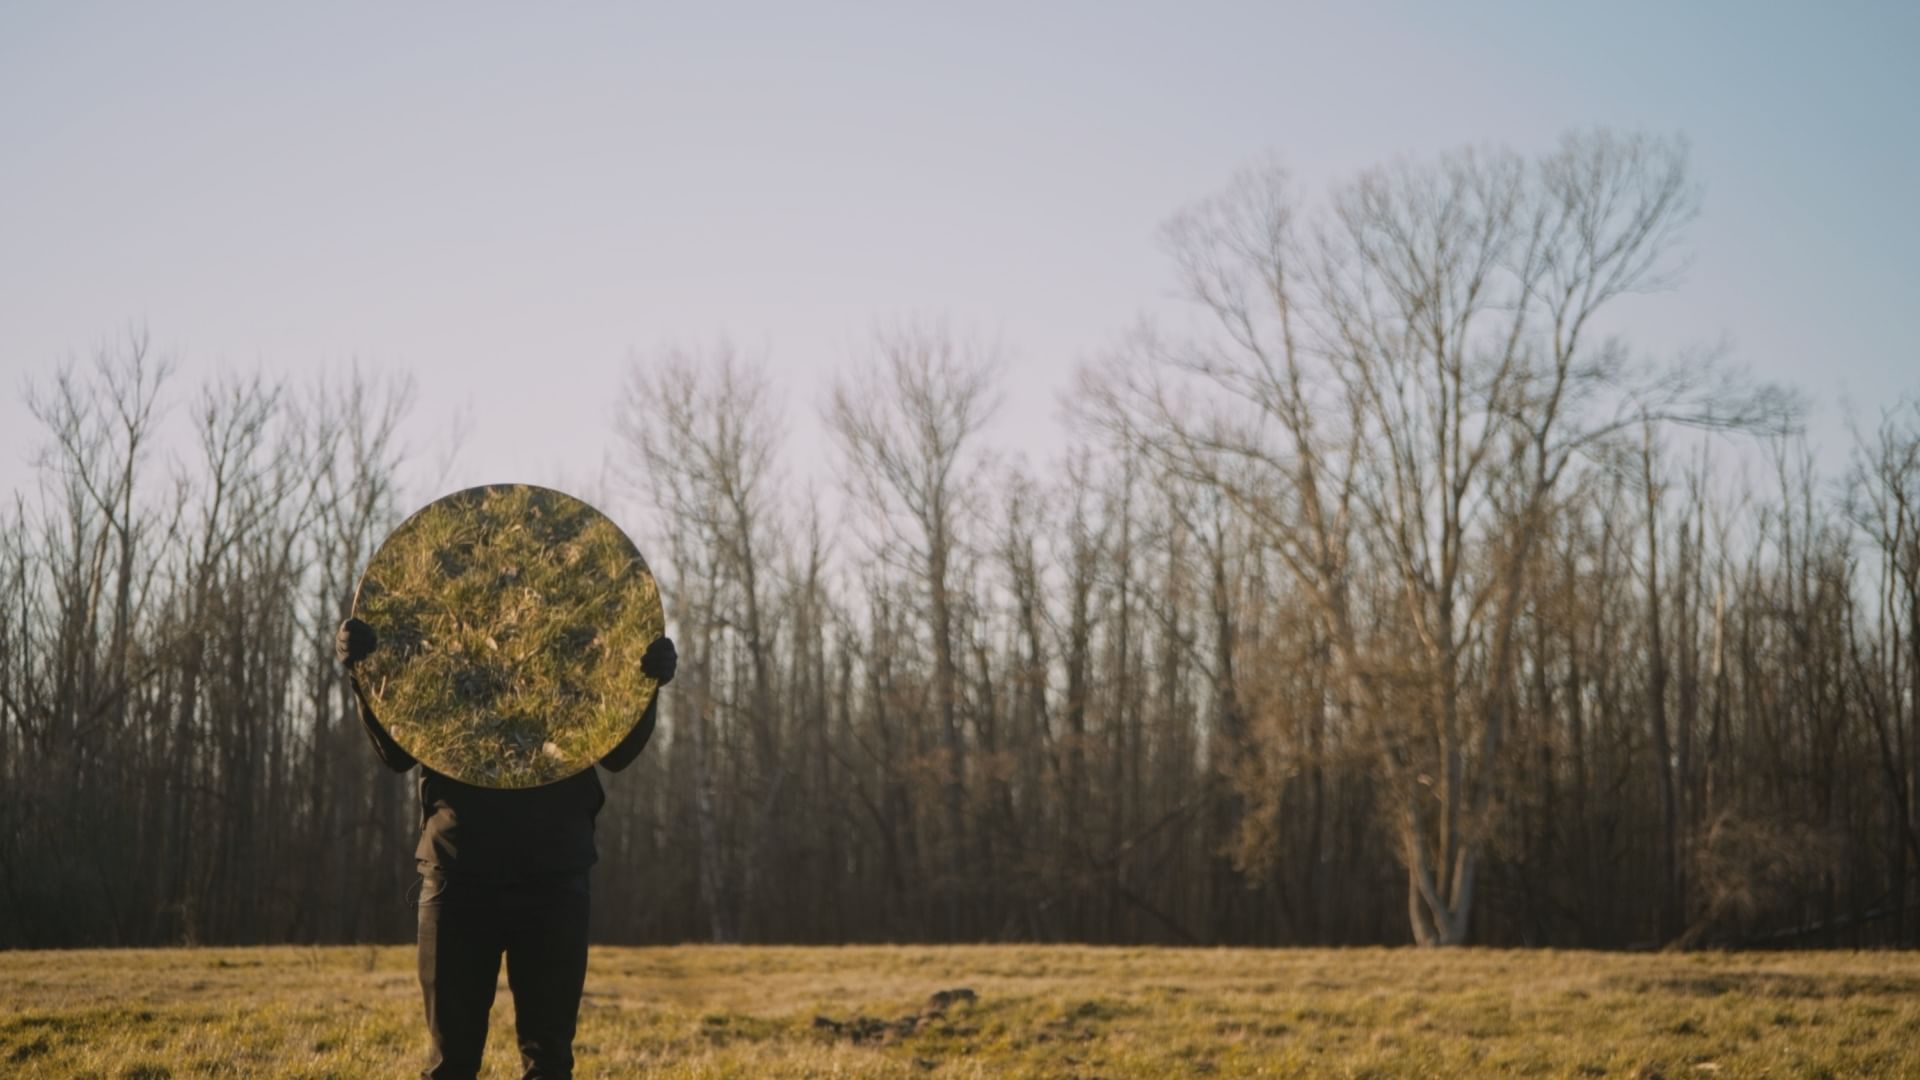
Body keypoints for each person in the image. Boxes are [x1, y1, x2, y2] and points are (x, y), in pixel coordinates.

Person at [336, 615, 676, 1080]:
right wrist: (364, 672)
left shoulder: (578, 625)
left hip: (553, 876)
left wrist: (648, 684)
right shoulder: (440, 631)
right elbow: (397, 754)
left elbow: (615, 752)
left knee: (549, 1064)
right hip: (458, 875)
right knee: (450, 1064)